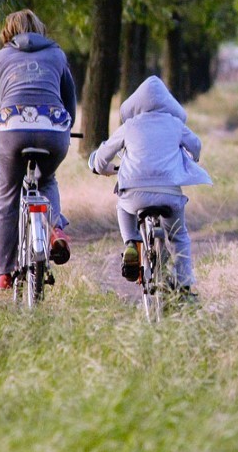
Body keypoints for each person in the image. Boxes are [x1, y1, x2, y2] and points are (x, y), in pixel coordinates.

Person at [0, 9, 76, 291]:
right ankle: (56, 229)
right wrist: (65, 128)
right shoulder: (57, 55)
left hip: (11, 130)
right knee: (47, 180)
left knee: (8, 195)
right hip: (53, 130)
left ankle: (4, 271)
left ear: (8, 32)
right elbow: (69, 99)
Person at [88, 76, 212, 298]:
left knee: (123, 208)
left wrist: (99, 166)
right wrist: (189, 158)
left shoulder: (130, 125)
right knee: (179, 235)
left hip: (134, 193)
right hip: (169, 193)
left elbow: (102, 156)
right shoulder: (175, 124)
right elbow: (196, 148)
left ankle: (131, 243)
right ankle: (183, 284)